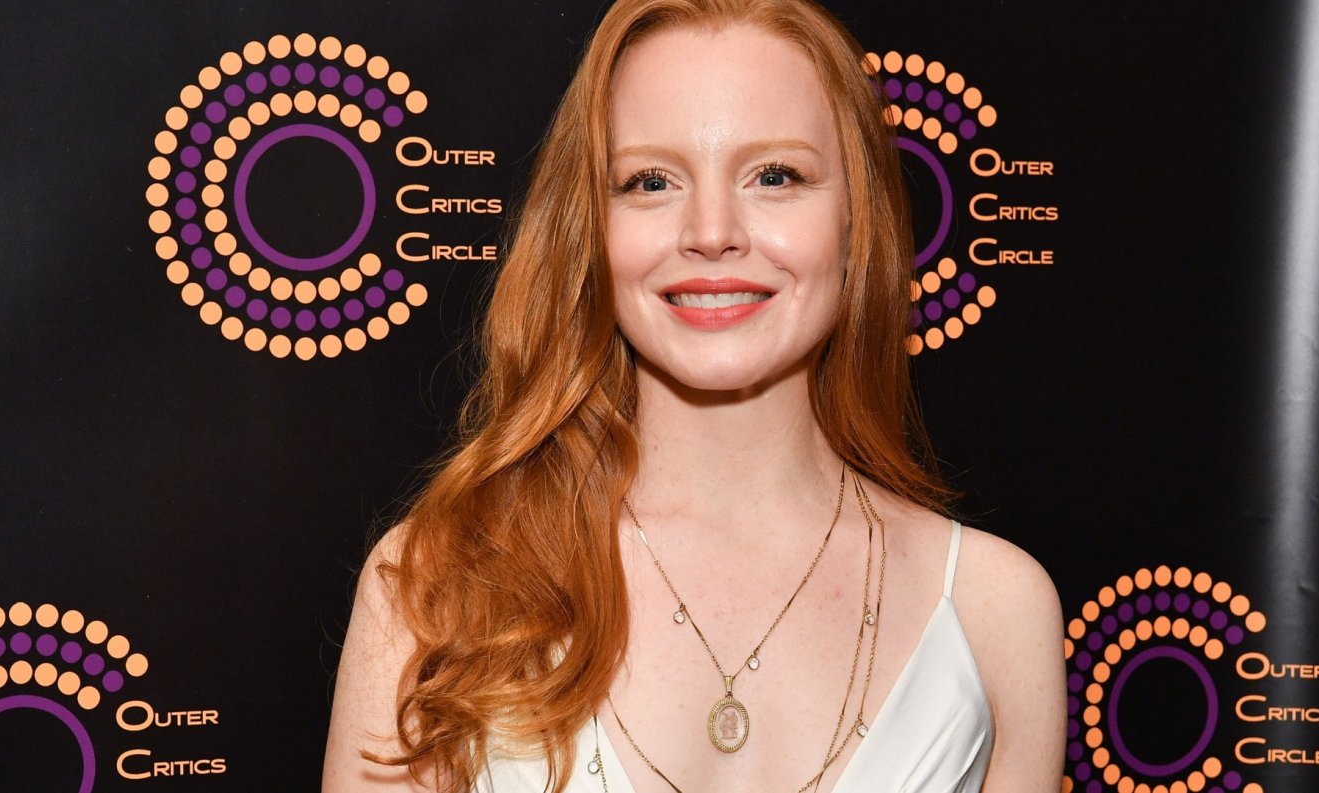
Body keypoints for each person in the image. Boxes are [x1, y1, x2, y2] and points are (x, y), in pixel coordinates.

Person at [322, 0, 1065, 791]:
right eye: (650, 181)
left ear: (858, 220)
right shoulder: (438, 586)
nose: (711, 231)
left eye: (775, 176)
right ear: (590, 228)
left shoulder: (992, 611)